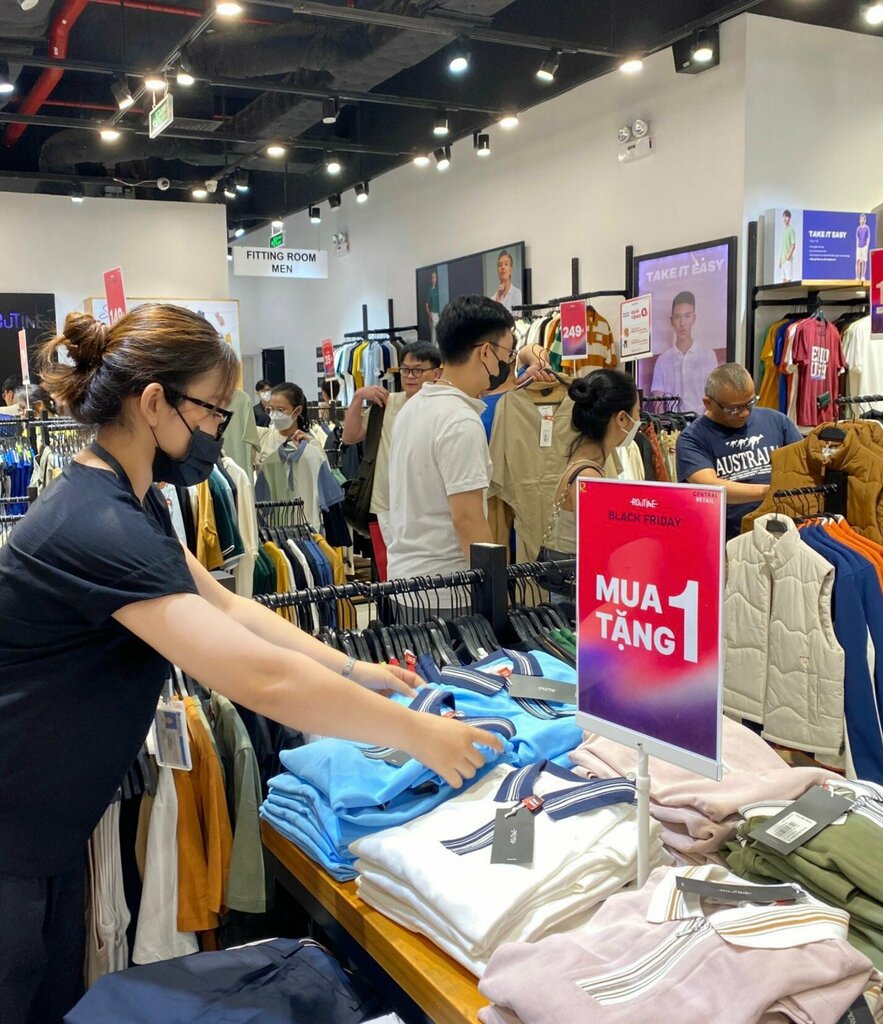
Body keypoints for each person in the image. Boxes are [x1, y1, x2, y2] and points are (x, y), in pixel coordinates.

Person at [0, 304, 501, 1024]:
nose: (217, 435)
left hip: (44, 824)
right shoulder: (94, 523)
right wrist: (418, 734)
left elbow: (233, 608)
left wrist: (356, 671)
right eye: (211, 413)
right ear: (152, 403)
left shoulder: (121, 502)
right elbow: (253, 676)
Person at [387, 296, 515, 592]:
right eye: (508, 352)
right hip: (447, 589)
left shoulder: (414, 405)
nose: (509, 363)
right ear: (486, 352)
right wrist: (497, 595)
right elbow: (468, 520)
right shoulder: (460, 421)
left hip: (404, 580)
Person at [341, 341, 442, 577]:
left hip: (425, 508)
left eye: (417, 370)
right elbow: (350, 436)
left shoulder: (442, 407)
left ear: (436, 373)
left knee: (420, 577)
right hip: (384, 505)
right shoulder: (386, 404)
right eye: (405, 370)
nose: (409, 376)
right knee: (388, 580)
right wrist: (358, 397)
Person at [676, 362, 802, 539]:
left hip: (785, 532)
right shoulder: (692, 438)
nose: (744, 413)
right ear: (708, 403)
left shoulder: (777, 421)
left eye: (749, 403)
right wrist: (768, 492)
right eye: (734, 409)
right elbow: (710, 488)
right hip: (728, 541)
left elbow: (802, 466)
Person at [543, 370, 640, 556]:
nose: (638, 421)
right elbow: (600, 546)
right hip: (577, 581)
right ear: (621, 418)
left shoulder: (581, 460)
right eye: (637, 413)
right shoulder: (589, 476)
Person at [650, 291, 719, 414]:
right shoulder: (662, 360)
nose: (682, 323)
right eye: (677, 317)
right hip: (672, 426)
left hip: (702, 424)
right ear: (672, 320)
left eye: (687, 316)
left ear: (694, 318)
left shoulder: (708, 355)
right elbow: (658, 403)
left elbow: (715, 396)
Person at [779, 209, 796, 283]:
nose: (785, 218)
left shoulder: (791, 230)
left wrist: (788, 256)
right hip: (783, 260)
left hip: (787, 260)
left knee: (788, 281)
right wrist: (780, 260)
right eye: (784, 216)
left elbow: (793, 245)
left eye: (786, 217)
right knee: (783, 279)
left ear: (789, 218)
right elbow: (783, 247)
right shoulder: (784, 231)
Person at [425, 269, 441, 344]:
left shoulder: (439, 290)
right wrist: (430, 315)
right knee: (434, 335)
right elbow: (426, 305)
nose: (433, 279)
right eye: (432, 277)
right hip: (433, 314)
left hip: (439, 314)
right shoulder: (430, 290)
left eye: (435, 277)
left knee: (439, 335)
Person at [856, 213, 871, 281]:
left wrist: (867, 246)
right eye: (861, 219)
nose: (862, 220)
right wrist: (857, 246)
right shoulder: (858, 229)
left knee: (864, 261)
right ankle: (857, 276)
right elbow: (857, 238)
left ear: (865, 220)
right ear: (859, 220)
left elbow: (868, 238)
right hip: (859, 246)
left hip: (864, 246)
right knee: (858, 261)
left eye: (863, 219)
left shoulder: (867, 228)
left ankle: (863, 276)